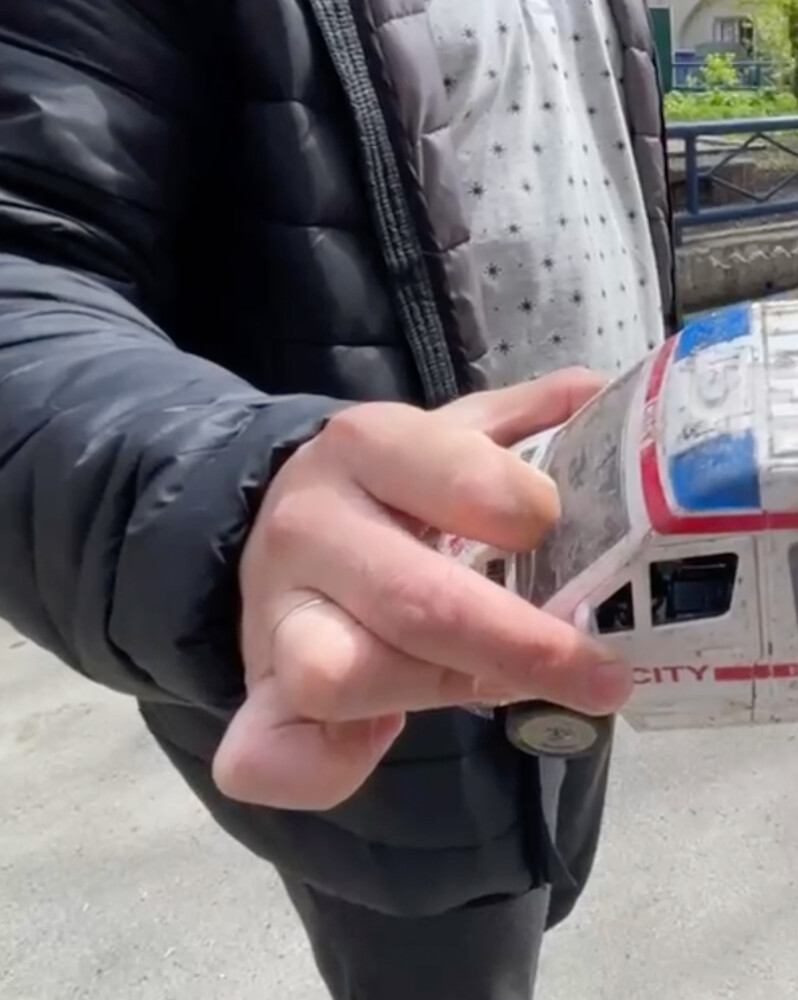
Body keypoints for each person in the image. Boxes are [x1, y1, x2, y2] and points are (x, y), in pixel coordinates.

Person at [0, 2, 676, 998]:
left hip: (595, 569)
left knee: (540, 886)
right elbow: (26, 255)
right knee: (447, 955)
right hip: (367, 641)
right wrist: (241, 491)